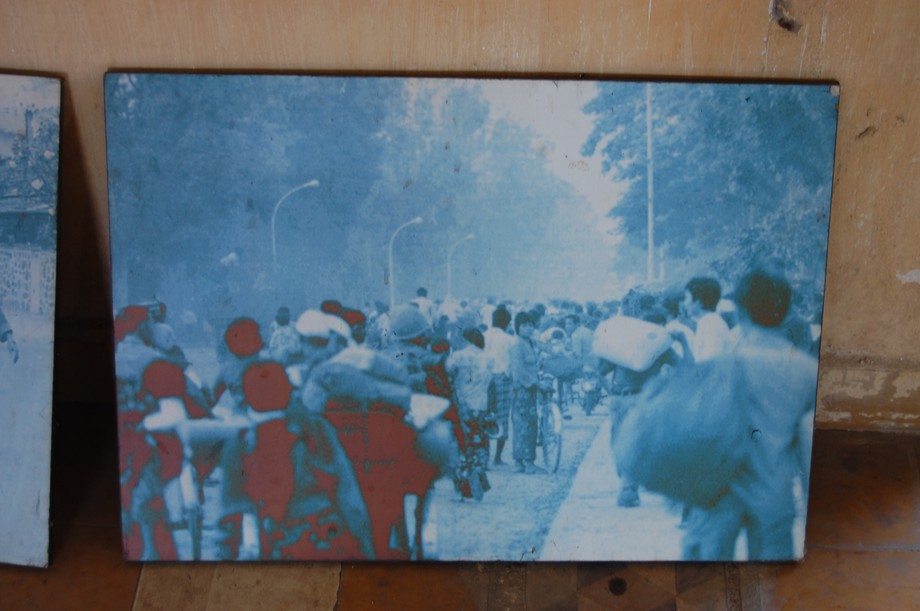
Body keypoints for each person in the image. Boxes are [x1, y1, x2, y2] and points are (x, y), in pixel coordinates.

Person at [680, 266, 818, 561]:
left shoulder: (721, 367)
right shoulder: (806, 372)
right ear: (786, 310)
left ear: (740, 310)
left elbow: (699, 435)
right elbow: (808, 449)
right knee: (771, 580)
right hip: (773, 495)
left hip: (718, 494)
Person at [445, 327, 492, 500]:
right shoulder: (488, 358)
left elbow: (447, 373)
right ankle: (478, 480)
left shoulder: (458, 356)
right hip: (480, 406)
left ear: (465, 339)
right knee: (478, 444)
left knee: (461, 446)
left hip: (462, 406)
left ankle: (462, 489)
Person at [508, 311, 547, 474]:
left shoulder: (530, 342)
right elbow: (518, 371)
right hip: (522, 388)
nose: (528, 328)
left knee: (524, 423)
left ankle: (520, 462)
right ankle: (528, 462)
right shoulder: (517, 344)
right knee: (526, 424)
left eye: (530, 325)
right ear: (517, 327)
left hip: (529, 388)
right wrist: (536, 383)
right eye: (524, 325)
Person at [672, 276, 731, 363]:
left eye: (686, 298)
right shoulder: (707, 322)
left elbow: (709, 364)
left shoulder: (711, 325)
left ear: (698, 301)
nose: (684, 303)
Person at [484, 307, 515, 465]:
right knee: (502, 417)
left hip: (484, 379)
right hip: (502, 379)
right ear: (507, 323)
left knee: (485, 415)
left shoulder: (483, 335)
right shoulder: (509, 339)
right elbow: (511, 362)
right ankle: (497, 457)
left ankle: (485, 457)